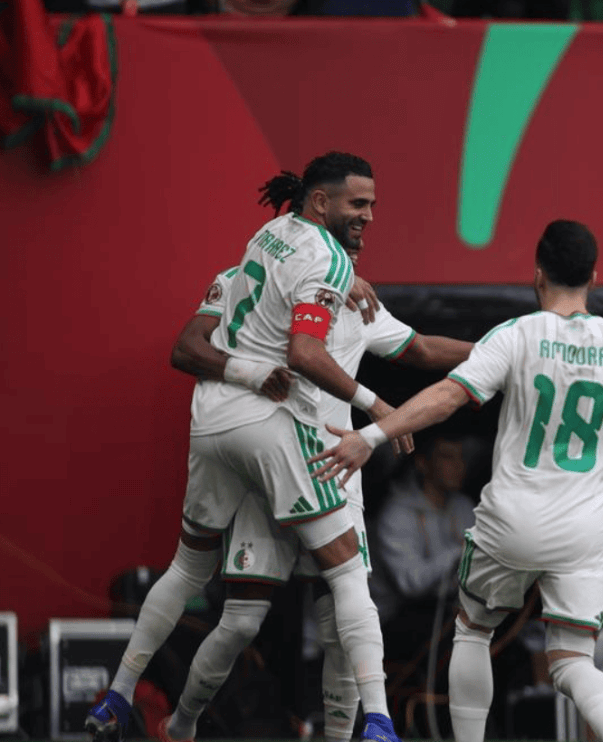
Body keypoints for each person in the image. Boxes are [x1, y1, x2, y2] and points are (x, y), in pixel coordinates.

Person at [309, 218, 603, 742]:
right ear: (594, 277)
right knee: (574, 661)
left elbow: (448, 396)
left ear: (537, 274)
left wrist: (370, 436)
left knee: (472, 630)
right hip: (582, 533)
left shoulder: (517, 335)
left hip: (512, 521)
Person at [87, 152, 402, 742]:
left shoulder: (263, 243)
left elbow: (415, 344)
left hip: (216, 422)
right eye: (358, 206)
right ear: (318, 205)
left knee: (211, 588)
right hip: (288, 437)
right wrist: (376, 405)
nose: (367, 218)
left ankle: (134, 702)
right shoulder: (321, 265)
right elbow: (290, 351)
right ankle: (379, 722)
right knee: (347, 580)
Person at [152, 240, 474, 742]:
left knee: (342, 622)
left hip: (337, 474)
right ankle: (181, 723)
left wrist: (496, 351)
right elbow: (194, 349)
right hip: (273, 470)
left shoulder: (358, 307)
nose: (355, 241)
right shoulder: (256, 292)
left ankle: (366, 727)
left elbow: (423, 349)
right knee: (241, 622)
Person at [370, 432, 476, 662]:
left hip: (449, 609)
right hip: (393, 618)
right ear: (422, 463)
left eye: (461, 457)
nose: (459, 466)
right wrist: (459, 552)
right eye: (447, 457)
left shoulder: (463, 506)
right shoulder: (396, 514)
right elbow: (410, 584)